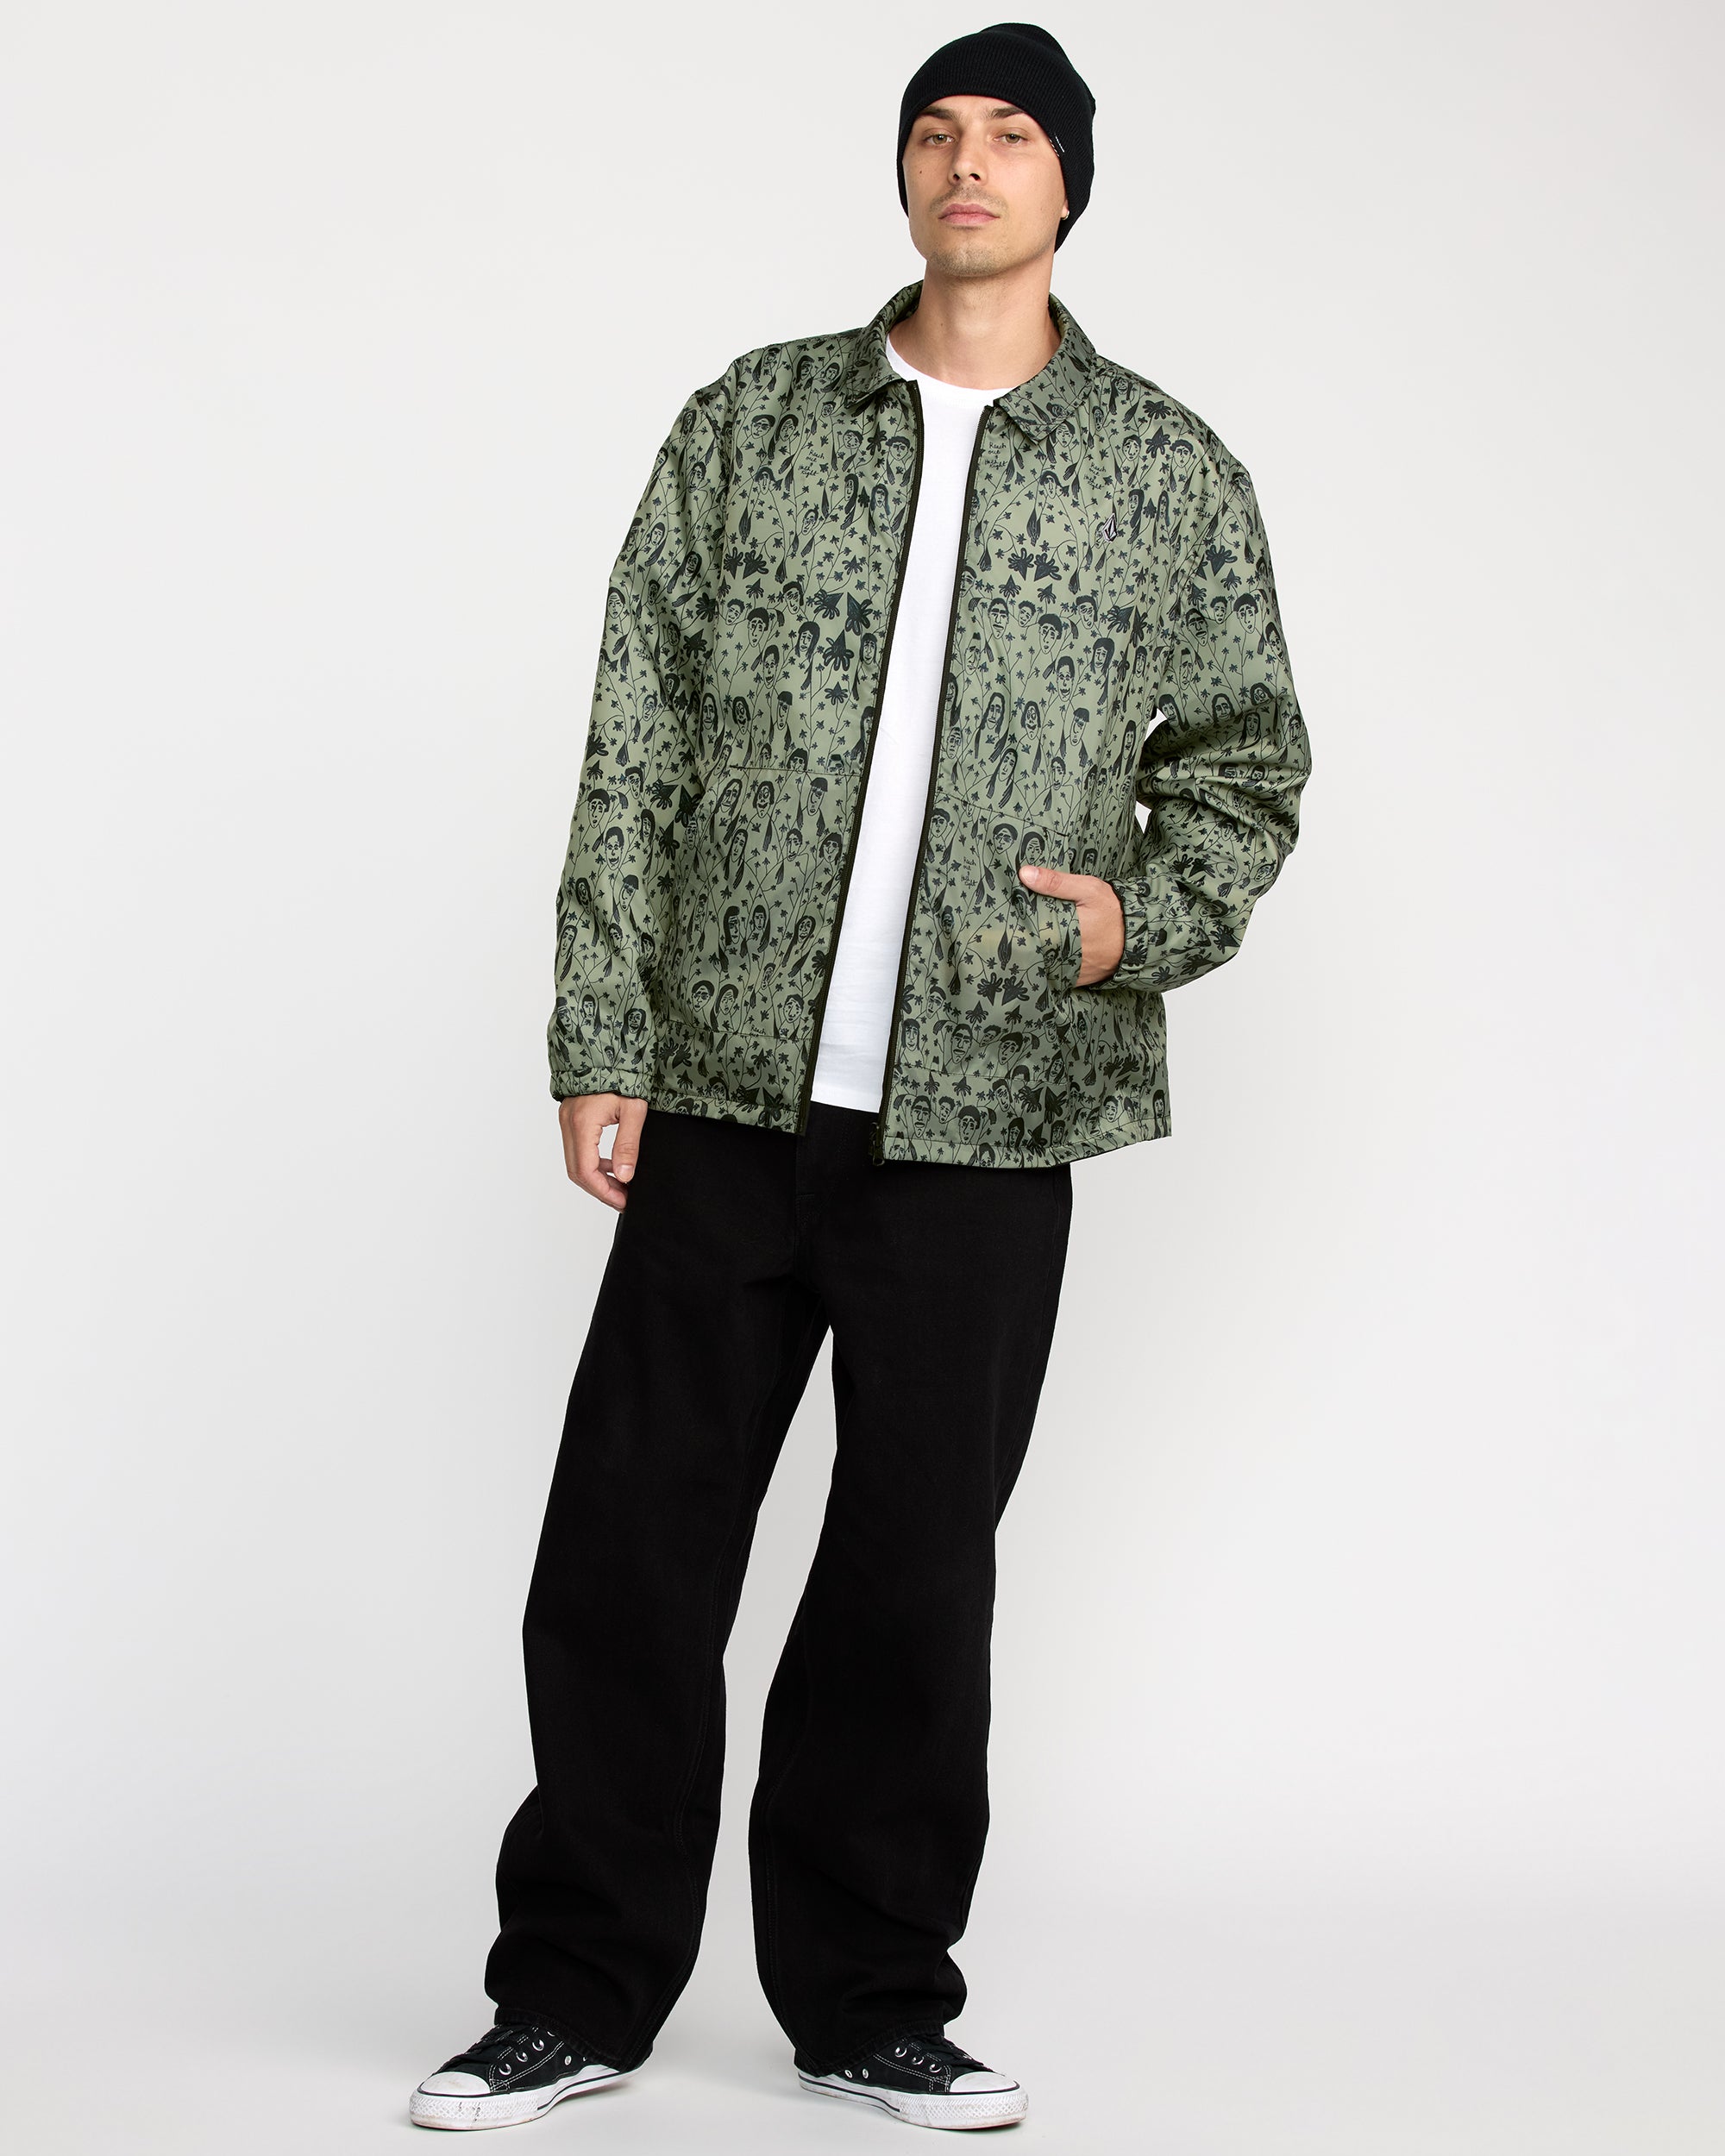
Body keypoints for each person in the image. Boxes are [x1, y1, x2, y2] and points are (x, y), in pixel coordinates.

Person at [410, 20, 1311, 2136]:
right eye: (934, 131)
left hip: (991, 1107)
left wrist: (1130, 924)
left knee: (913, 1574)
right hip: (726, 1087)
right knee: (630, 1553)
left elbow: (1248, 766)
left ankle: (871, 1999)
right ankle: (574, 1992)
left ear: (1068, 182)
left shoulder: (1164, 470)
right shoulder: (755, 419)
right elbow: (637, 730)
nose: (966, 162)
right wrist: (600, 1032)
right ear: (902, 175)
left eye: (1009, 135)